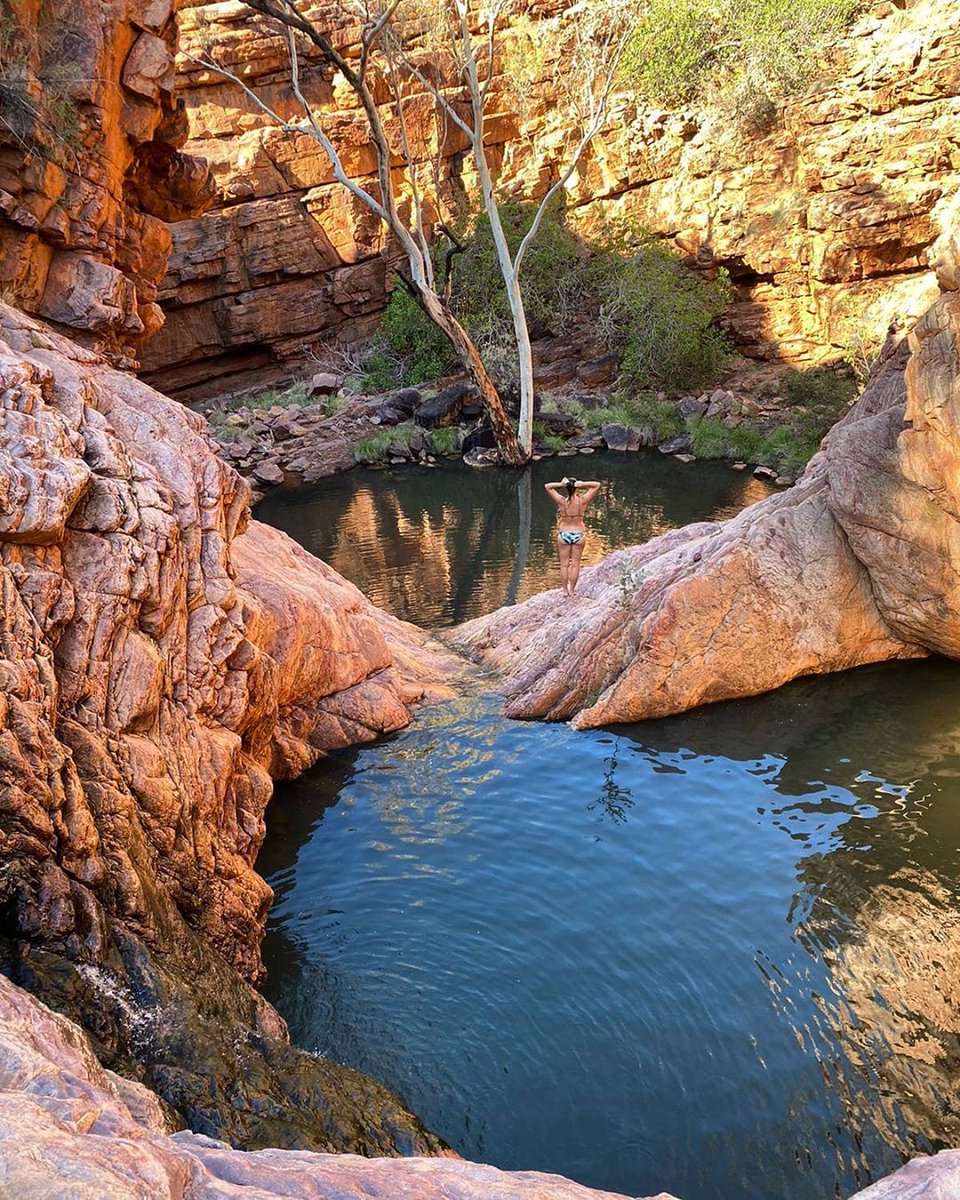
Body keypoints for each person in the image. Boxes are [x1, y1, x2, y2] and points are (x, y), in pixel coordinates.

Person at [544, 475, 601, 597]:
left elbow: (547, 487)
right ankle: (572, 590)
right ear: (576, 488)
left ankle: (565, 591)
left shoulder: (562, 501)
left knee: (564, 564)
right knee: (575, 564)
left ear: (566, 488)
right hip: (578, 535)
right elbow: (597, 485)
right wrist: (583, 483)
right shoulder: (583, 501)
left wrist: (560, 484)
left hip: (564, 534)